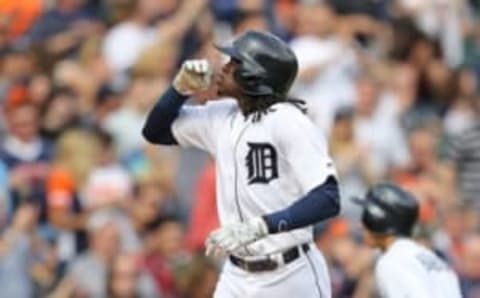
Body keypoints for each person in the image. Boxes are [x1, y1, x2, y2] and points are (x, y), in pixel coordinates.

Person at [143, 30, 340, 297]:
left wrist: (261, 226)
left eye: (234, 63)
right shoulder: (220, 116)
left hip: (290, 273)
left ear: (253, 77)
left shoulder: (289, 122)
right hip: (237, 274)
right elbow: (155, 131)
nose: (223, 68)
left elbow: (328, 198)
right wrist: (179, 89)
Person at [353, 182, 462, 298]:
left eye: (367, 217)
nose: (361, 226)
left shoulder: (391, 262)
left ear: (379, 221)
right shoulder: (432, 258)